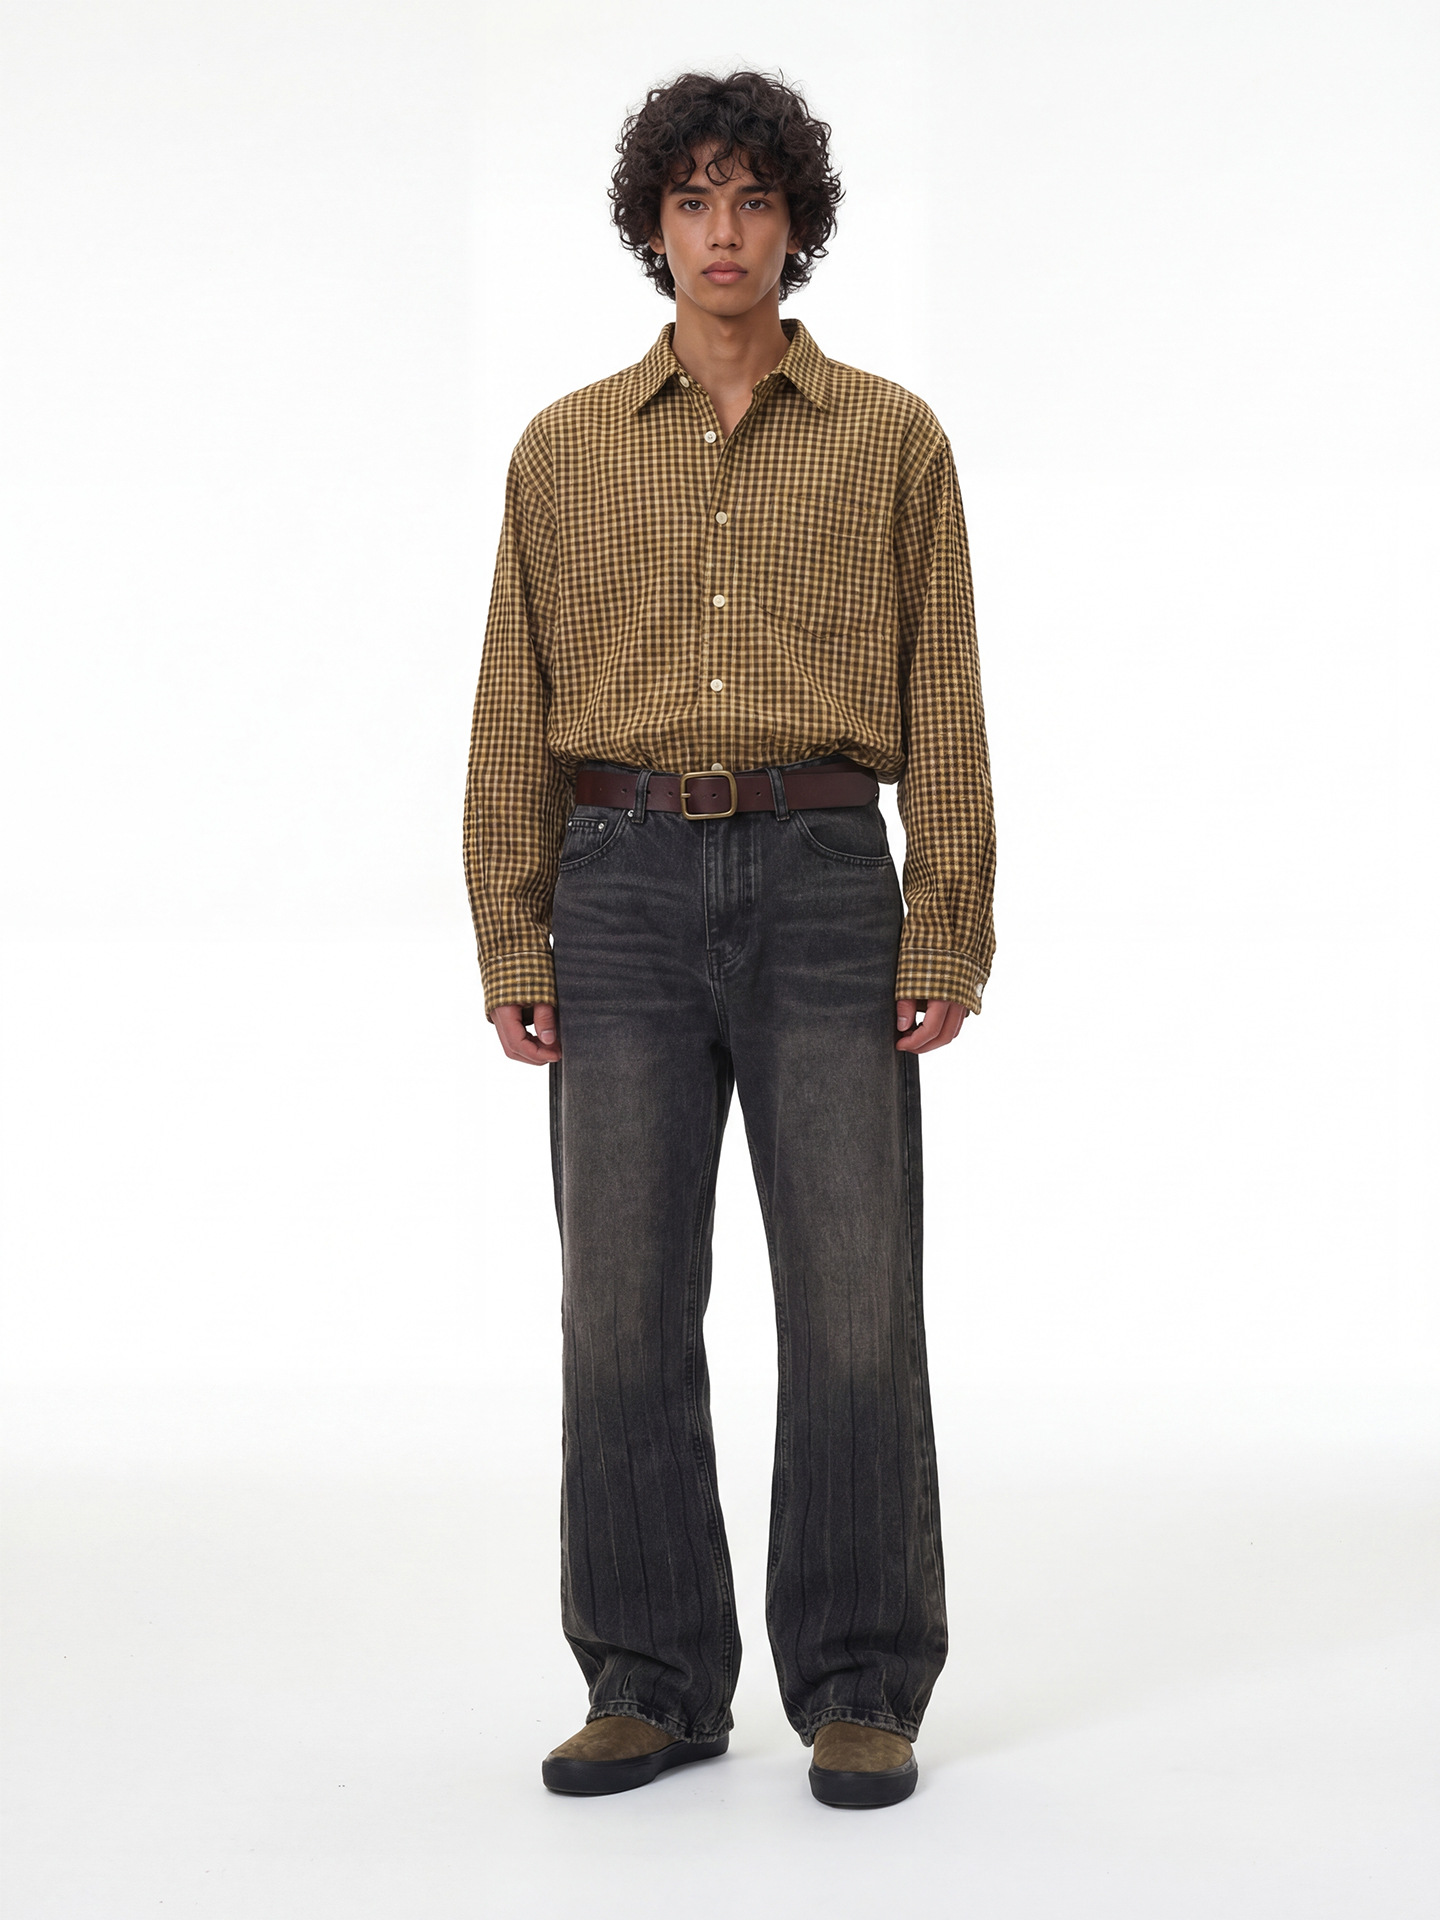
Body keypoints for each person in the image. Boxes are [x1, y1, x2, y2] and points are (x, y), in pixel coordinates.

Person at [463, 69, 995, 1809]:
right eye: (692, 200)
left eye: (753, 199)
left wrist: (948, 921)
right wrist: (514, 934)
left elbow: (945, 694)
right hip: (614, 885)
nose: (723, 232)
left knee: (852, 1303)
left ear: (796, 224)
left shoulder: (893, 439)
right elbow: (513, 702)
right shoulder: (561, 450)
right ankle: (651, 1678)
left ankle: (861, 1683)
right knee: (619, 1306)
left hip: (828, 881)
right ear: (652, 224)